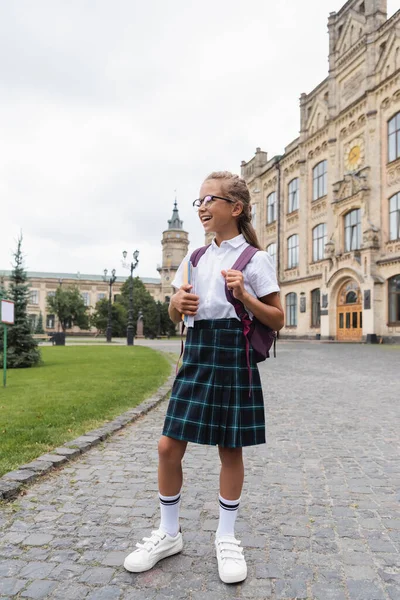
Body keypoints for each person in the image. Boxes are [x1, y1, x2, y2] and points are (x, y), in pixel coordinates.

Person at [124, 171, 284, 584]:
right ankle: (168, 532)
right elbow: (176, 313)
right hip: (197, 354)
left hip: (232, 353)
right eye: (199, 202)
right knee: (166, 446)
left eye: (209, 200)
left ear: (236, 207)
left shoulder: (254, 259)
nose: (202, 209)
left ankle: (226, 537)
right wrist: (176, 302)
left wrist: (246, 296)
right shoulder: (194, 259)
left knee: (230, 448)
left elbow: (277, 317)